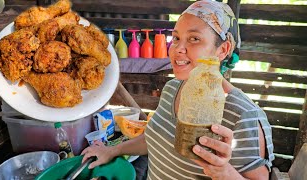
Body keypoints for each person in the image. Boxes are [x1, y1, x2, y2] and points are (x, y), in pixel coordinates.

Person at [81, 0, 274, 179]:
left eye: (194, 39)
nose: (178, 49)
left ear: (223, 50)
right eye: (176, 38)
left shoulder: (244, 115)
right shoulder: (173, 87)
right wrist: (112, 150)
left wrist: (223, 171)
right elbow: (155, 138)